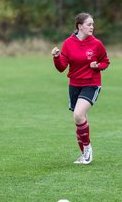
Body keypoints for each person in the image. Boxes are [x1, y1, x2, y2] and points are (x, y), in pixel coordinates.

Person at [51, 12, 110, 165]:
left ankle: (88, 150)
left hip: (91, 83)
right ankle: (84, 154)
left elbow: (106, 61)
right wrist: (57, 57)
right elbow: (61, 68)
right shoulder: (69, 43)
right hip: (74, 85)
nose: (92, 27)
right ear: (80, 26)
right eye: (89, 24)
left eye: (92, 24)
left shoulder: (97, 44)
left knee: (78, 115)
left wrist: (98, 66)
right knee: (80, 119)